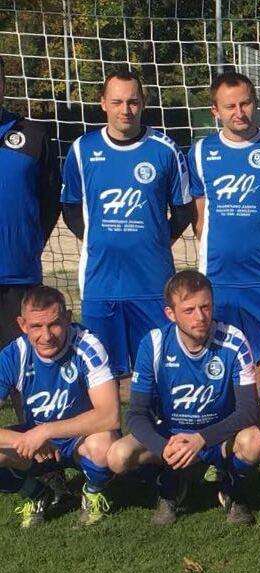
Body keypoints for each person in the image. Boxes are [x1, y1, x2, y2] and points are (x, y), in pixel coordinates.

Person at [61, 68, 194, 378]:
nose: (126, 110)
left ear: (143, 103)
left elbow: (184, 211)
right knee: (102, 377)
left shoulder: (165, 150)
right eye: (117, 102)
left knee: (159, 373)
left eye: (132, 102)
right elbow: (69, 209)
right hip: (101, 285)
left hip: (152, 284)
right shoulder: (83, 149)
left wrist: (157, 240)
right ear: (103, 103)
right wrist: (100, 238)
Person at [106, 270, 260, 525]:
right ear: (171, 314)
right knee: (117, 456)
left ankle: (232, 488)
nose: (200, 317)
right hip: (172, 437)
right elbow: (135, 414)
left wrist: (201, 439)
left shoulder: (234, 341)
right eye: (189, 310)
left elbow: (248, 410)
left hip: (217, 436)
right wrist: (163, 447)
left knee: (254, 440)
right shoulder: (154, 344)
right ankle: (170, 482)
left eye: (205, 307)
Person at [188, 71, 260, 418]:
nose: (239, 112)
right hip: (218, 279)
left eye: (245, 103)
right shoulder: (201, 152)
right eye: (230, 106)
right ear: (215, 110)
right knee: (215, 357)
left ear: (255, 103)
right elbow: (200, 219)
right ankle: (222, 434)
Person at [0, 286, 119, 527]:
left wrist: (45, 431)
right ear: (22, 324)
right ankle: (35, 492)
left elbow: (111, 416)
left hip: (81, 438)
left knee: (105, 446)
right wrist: (23, 440)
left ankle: (93, 492)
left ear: (67, 317)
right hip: (37, 446)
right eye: (36, 327)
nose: (46, 335)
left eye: (54, 324)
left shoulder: (87, 345)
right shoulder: (14, 356)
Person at [0, 60, 61, 347]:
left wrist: (30, 241)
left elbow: (50, 200)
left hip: (19, 275)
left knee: (22, 373)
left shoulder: (32, 135)